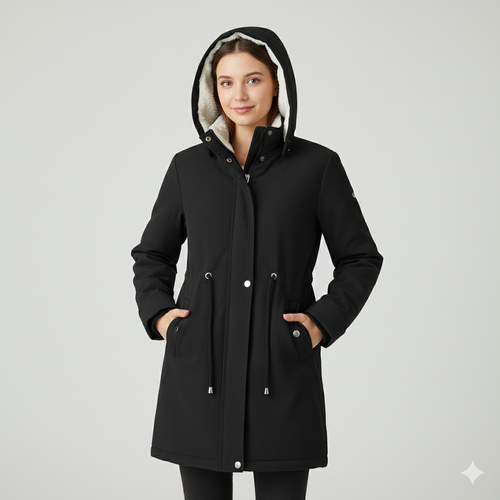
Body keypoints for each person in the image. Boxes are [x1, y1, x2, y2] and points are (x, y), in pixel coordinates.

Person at [131, 26, 383, 500]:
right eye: (226, 82)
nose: (239, 95)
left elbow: (360, 258)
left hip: (281, 372)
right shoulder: (187, 167)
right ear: (212, 90)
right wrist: (163, 317)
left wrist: (319, 324)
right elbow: (152, 254)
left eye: (253, 80)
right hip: (200, 374)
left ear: (276, 84)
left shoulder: (317, 166)